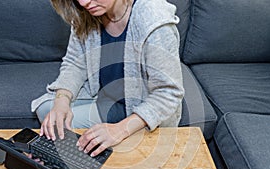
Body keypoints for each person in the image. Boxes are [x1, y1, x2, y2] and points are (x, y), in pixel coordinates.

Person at [31, 0, 184, 157]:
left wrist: (119, 130)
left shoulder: (154, 20)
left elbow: (169, 93)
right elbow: (75, 63)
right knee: (47, 110)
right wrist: (61, 101)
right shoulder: (87, 13)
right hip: (103, 95)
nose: (84, 2)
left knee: (59, 128)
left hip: (135, 107)